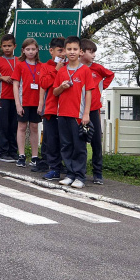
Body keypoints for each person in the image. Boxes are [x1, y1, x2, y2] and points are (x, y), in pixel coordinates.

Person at [52, 36, 94, 188]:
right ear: (64, 51)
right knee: (66, 145)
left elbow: (88, 92)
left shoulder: (85, 70)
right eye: (69, 49)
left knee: (79, 147)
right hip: (63, 113)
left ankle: (80, 176)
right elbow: (55, 92)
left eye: (75, 49)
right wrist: (61, 87)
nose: (72, 52)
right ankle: (70, 174)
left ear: (80, 51)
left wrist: (86, 114)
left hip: (78, 115)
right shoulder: (62, 71)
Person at [80, 38, 115, 185]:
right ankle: (79, 171)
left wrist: (101, 87)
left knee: (96, 142)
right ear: (82, 52)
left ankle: (97, 172)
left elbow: (110, 74)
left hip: (94, 109)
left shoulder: (97, 68)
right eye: (91, 52)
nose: (94, 55)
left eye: (94, 52)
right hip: (78, 109)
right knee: (79, 141)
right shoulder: (75, 67)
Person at [38, 37, 66, 180]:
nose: (63, 54)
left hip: (67, 110)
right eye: (60, 51)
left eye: (64, 51)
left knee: (66, 140)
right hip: (51, 109)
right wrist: (56, 70)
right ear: (51, 51)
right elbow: (43, 83)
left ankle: (68, 167)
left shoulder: (70, 66)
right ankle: (54, 168)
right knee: (52, 140)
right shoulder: (46, 66)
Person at [14, 37, 44, 168]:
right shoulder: (20, 65)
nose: (30, 51)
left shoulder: (41, 66)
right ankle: (21, 155)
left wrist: (41, 103)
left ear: (37, 50)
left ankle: (34, 156)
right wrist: (18, 104)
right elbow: (15, 85)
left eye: (33, 49)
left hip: (36, 102)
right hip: (23, 101)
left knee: (34, 127)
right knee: (21, 127)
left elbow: (43, 85)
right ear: (23, 50)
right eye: (28, 49)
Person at [0, 34, 19, 163]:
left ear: (14, 46)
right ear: (1, 47)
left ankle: (13, 151)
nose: (7, 48)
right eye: (4, 46)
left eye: (9, 46)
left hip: (17, 98)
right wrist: (2, 78)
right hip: (3, 97)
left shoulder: (19, 60)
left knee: (14, 126)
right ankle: (3, 152)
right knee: (3, 125)